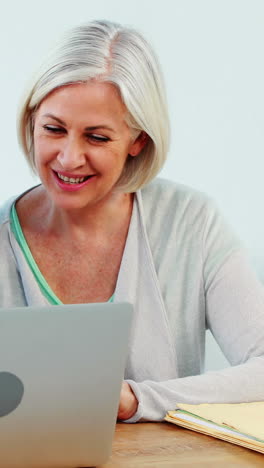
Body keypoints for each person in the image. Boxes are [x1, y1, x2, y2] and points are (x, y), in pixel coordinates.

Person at [0, 19, 264, 423]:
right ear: (32, 121)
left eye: (97, 137)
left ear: (138, 140)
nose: (69, 158)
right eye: (54, 129)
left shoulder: (192, 224)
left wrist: (136, 400)